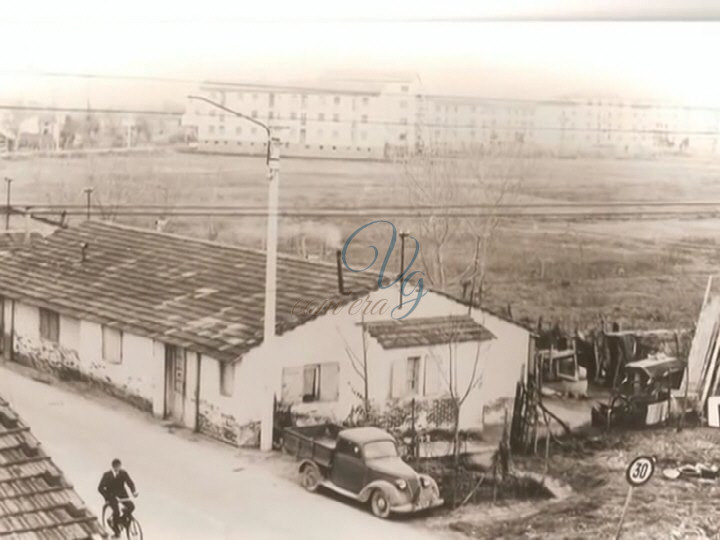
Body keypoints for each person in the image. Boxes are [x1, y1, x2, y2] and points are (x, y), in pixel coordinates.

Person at [98, 458, 138, 538]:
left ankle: (123, 520)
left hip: (123, 495)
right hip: (111, 496)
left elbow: (130, 483)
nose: (118, 469)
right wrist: (107, 497)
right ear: (113, 467)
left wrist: (134, 492)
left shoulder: (123, 473)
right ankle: (116, 531)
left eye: (119, 467)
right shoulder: (107, 475)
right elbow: (100, 488)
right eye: (116, 467)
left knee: (131, 506)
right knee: (116, 512)